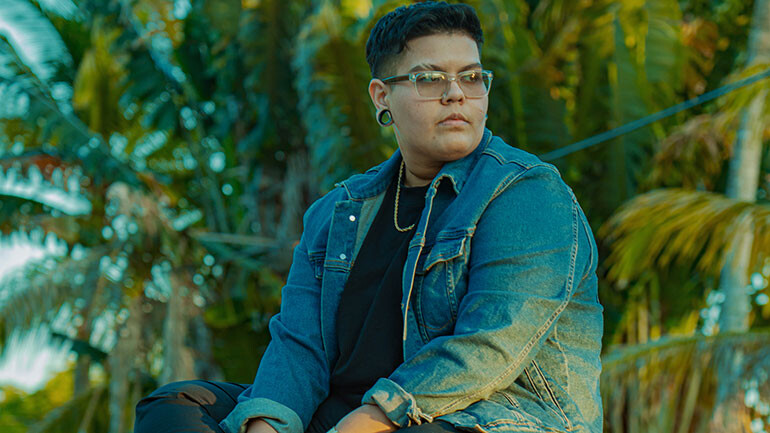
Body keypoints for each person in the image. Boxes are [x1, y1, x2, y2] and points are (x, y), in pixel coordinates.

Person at [134, 2, 603, 433]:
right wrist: (267, 425)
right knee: (175, 406)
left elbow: (489, 345)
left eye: (472, 77)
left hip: (478, 417)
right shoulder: (337, 212)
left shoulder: (527, 193)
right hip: (342, 413)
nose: (456, 94)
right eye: (430, 79)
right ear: (382, 96)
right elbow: (300, 347)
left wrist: (369, 420)